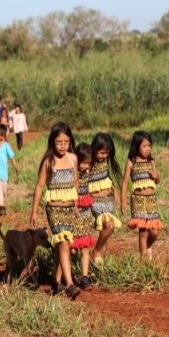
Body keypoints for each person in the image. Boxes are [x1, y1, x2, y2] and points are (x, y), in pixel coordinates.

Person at [30, 122, 82, 300]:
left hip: (69, 207)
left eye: (66, 142)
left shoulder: (73, 159)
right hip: (54, 207)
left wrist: (76, 203)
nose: (62, 146)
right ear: (52, 142)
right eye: (59, 142)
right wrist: (34, 211)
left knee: (64, 244)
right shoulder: (48, 161)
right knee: (64, 243)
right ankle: (70, 285)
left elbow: (76, 182)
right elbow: (39, 187)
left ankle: (57, 281)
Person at [120, 131, 163, 260]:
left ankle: (146, 248)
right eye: (144, 146)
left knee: (155, 231)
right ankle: (144, 261)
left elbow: (157, 180)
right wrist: (123, 201)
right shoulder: (131, 162)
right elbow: (125, 182)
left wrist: (156, 177)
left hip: (151, 201)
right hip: (138, 201)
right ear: (136, 146)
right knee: (143, 232)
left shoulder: (151, 162)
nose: (147, 149)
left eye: (149, 145)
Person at [88, 132, 122, 268]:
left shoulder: (105, 161)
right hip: (95, 201)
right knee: (109, 225)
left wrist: (115, 191)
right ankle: (95, 252)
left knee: (107, 227)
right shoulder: (88, 162)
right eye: (102, 153)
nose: (105, 156)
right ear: (95, 149)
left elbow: (105, 178)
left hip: (107, 201)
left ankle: (96, 254)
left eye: (107, 153)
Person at [71, 142, 95, 290]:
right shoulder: (73, 173)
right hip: (74, 213)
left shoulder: (87, 173)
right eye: (84, 163)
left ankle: (84, 277)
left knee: (85, 246)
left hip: (85, 213)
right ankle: (66, 273)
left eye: (88, 163)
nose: (86, 166)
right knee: (72, 247)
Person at [0, 124, 20, 216]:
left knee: (3, 190)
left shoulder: (6, 146)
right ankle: (1, 206)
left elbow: (12, 158)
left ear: (2, 136)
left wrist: (16, 168)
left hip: (4, 174)